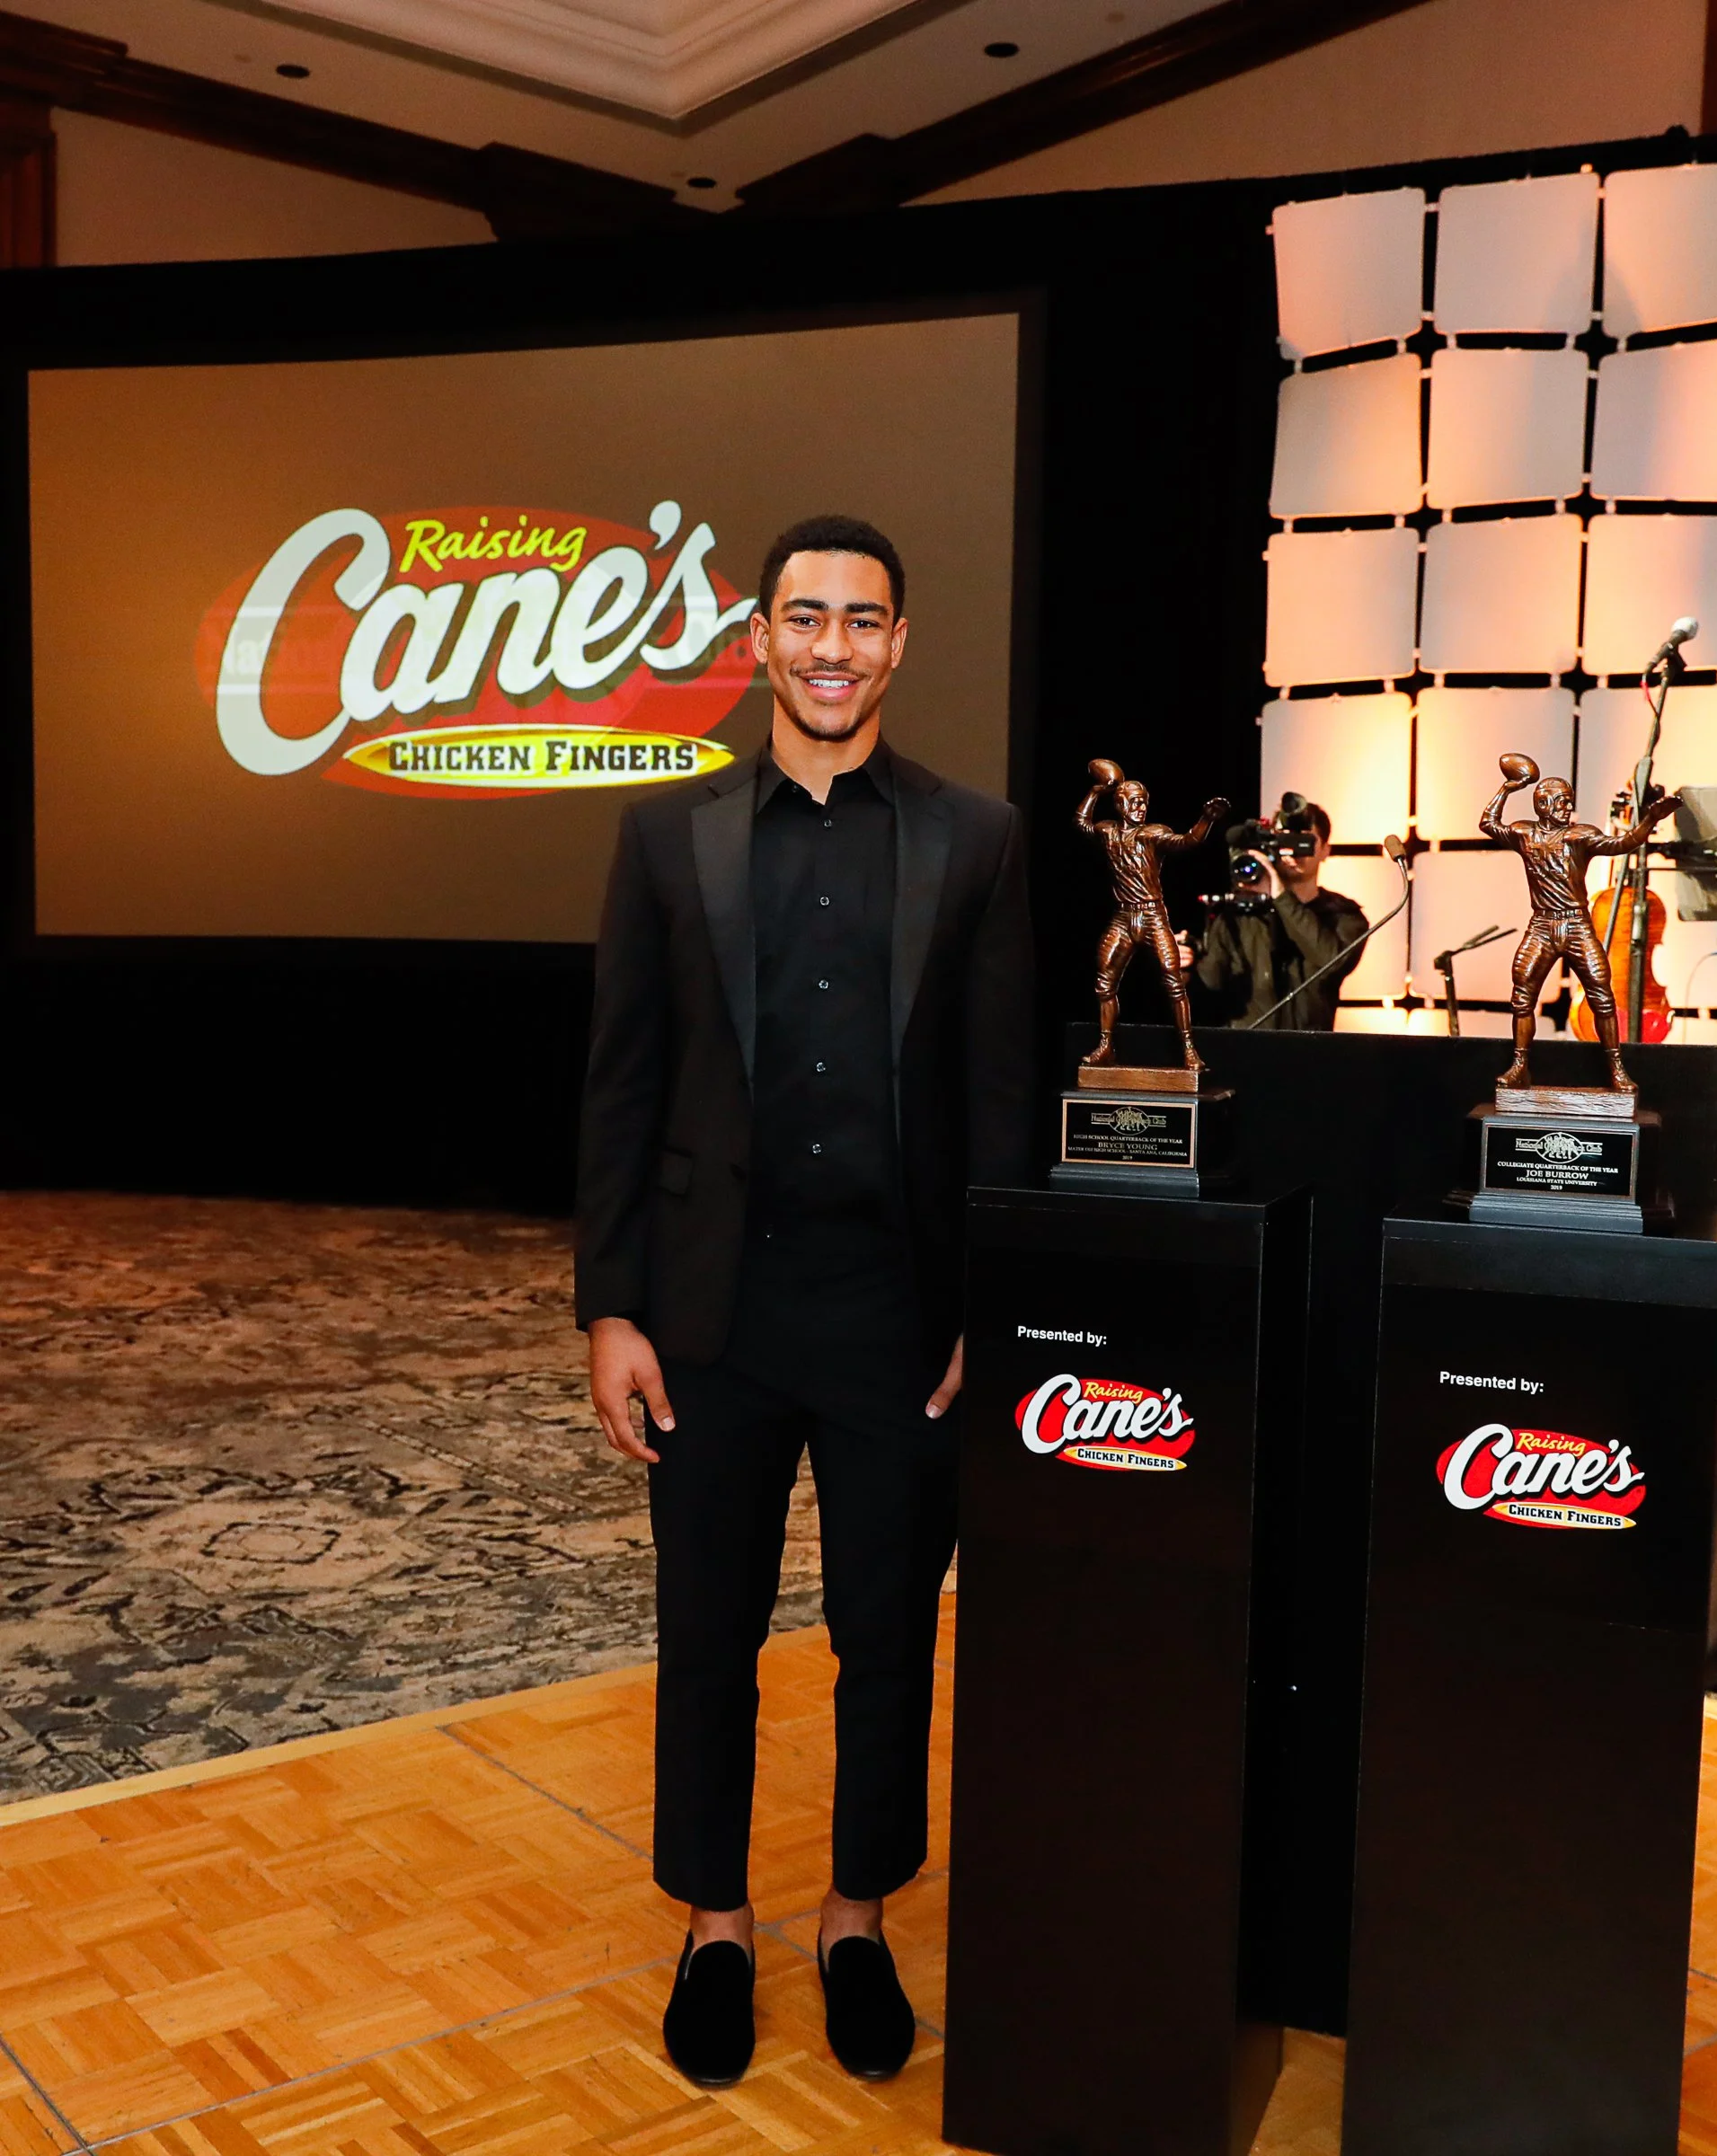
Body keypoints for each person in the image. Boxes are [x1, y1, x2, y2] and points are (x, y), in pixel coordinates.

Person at [576, 515, 1033, 2091]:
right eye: (805, 617)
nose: (834, 645)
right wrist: (611, 1309)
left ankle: (854, 1919)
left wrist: (991, 1302)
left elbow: (996, 1095)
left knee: (886, 1637)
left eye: (864, 620)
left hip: (897, 1323)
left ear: (900, 644)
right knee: (706, 1637)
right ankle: (715, 1923)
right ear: (758, 638)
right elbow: (620, 1092)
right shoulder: (665, 838)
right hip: (709, 1322)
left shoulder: (978, 840)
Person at [1480, 755, 1679, 1091]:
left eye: (1569, 801)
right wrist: (1509, 787)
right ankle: (1519, 1066)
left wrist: (1648, 820)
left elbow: (1622, 843)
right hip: (1542, 925)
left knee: (1602, 996)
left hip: (1576, 924)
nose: (1566, 807)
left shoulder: (1579, 836)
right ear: (1542, 804)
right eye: (1560, 801)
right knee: (1522, 996)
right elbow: (1487, 823)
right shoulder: (1524, 833)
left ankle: (1616, 1069)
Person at [1075, 759, 1228, 1072]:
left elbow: (1188, 841)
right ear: (1120, 804)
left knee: (1174, 981)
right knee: (1104, 983)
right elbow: (1081, 823)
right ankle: (1106, 1046)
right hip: (1123, 917)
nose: (1141, 808)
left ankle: (1188, 1049)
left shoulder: (1152, 834)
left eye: (1144, 802)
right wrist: (1095, 790)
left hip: (1152, 915)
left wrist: (1205, 820)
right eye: (1134, 802)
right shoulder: (1108, 832)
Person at [1189, 798, 1367, 1029]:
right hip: (1248, 1053)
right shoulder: (1239, 915)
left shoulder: (1343, 915)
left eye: (1303, 841)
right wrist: (1185, 969)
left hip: (1311, 1054)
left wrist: (1280, 896)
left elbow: (1330, 962)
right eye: (1285, 840)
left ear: (1325, 850)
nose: (1293, 852)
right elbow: (1211, 991)